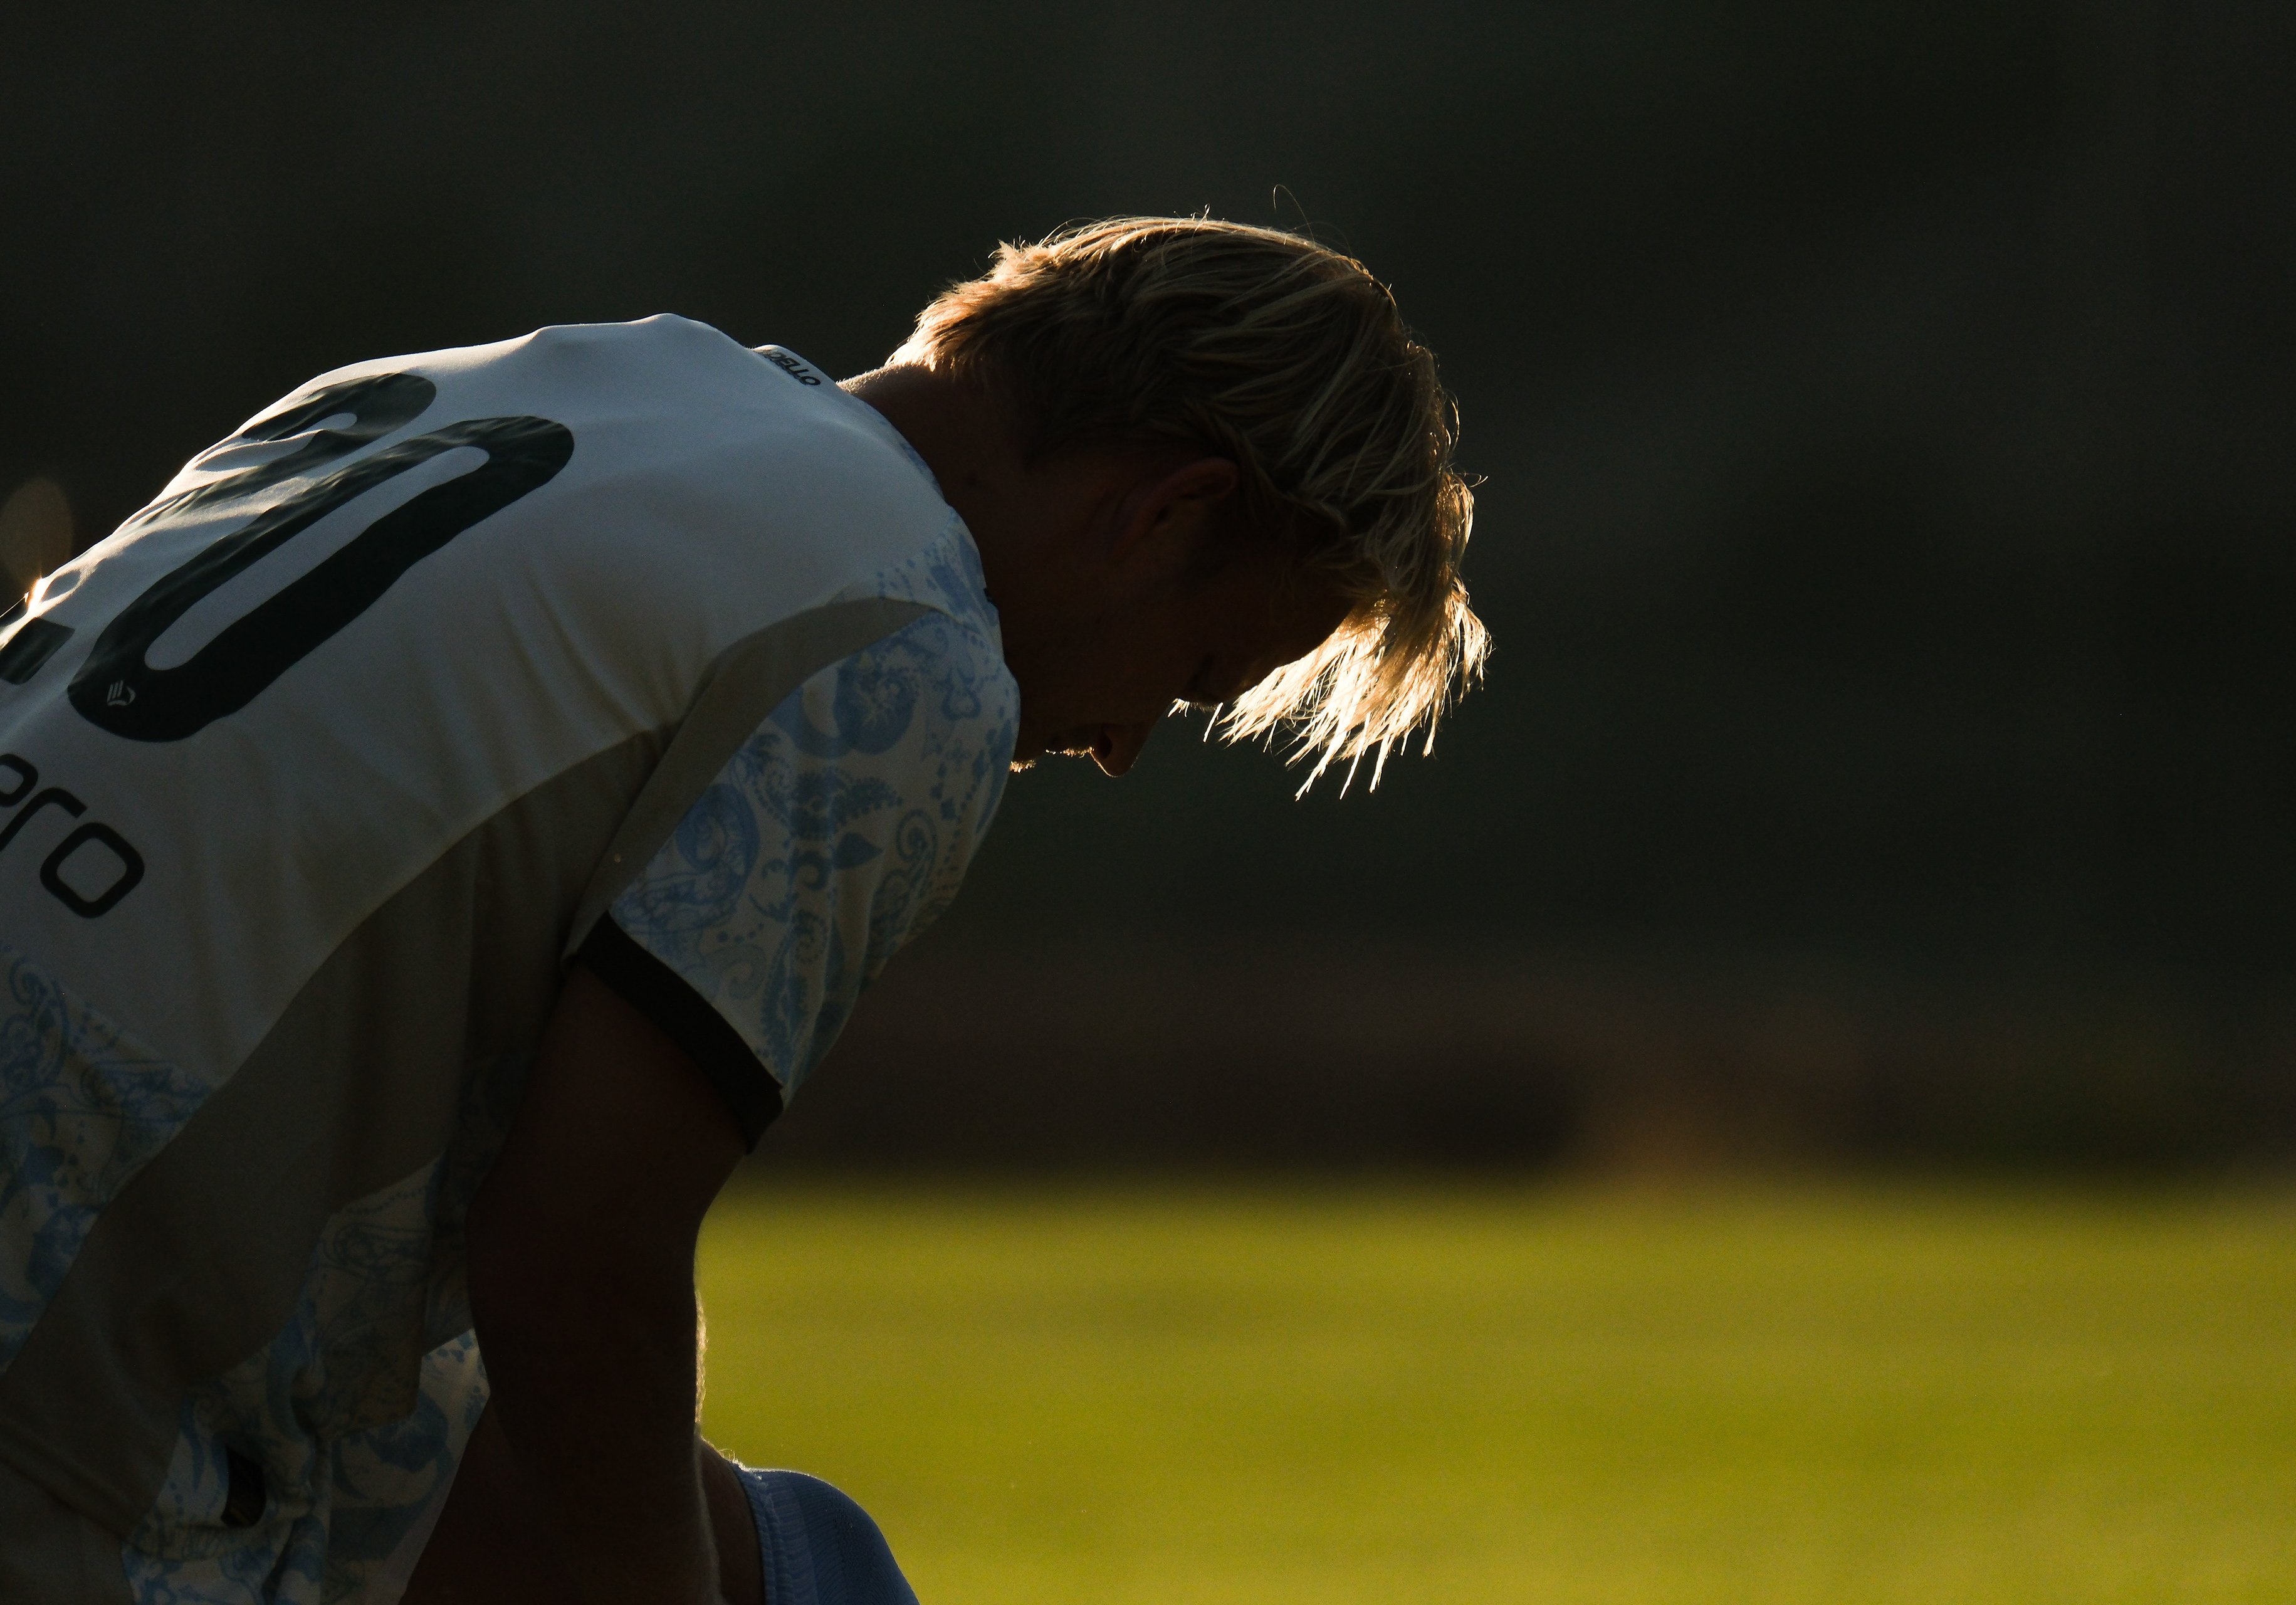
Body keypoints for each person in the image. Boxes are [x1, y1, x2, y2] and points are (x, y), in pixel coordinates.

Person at [0, 215, 1486, 1604]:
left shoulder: (541, 379)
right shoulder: (906, 640)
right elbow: (576, 1275)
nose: (1123, 740)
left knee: (791, 1559)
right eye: (1190, 675)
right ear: (1167, 512)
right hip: (61, 1332)